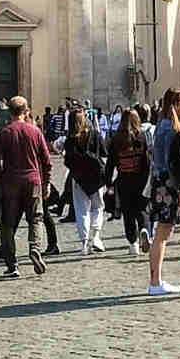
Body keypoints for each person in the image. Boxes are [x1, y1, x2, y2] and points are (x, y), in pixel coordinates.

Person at [0, 97, 51, 278]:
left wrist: (0, 178)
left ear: (9, 111)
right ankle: (35, 248)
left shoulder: (4, 133)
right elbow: (47, 161)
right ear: (26, 111)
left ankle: (12, 265)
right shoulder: (35, 131)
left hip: (10, 183)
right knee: (36, 219)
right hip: (33, 181)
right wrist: (46, 183)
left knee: (7, 224)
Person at [145, 89, 180, 295]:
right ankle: (155, 282)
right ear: (175, 104)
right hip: (169, 184)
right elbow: (169, 163)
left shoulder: (164, 125)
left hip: (164, 183)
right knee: (163, 232)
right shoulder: (169, 128)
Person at [59, 107, 107, 255]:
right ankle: (96, 236)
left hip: (79, 179)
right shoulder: (95, 135)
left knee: (82, 210)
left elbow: (68, 162)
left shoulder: (70, 140)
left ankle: (85, 242)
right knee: (97, 207)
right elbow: (104, 154)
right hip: (96, 177)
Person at [106, 108, 153, 254]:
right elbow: (147, 160)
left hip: (124, 179)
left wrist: (108, 182)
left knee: (128, 212)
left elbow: (110, 163)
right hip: (141, 178)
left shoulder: (116, 139)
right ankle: (144, 229)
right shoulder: (142, 137)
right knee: (142, 209)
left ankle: (133, 243)